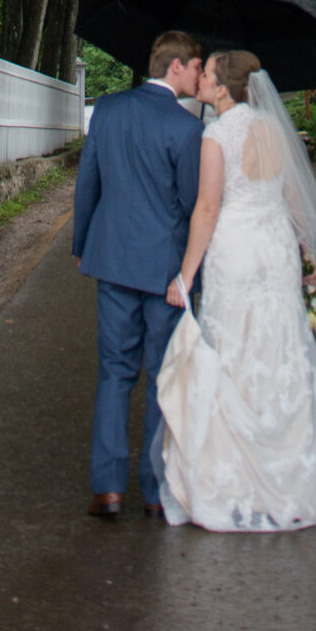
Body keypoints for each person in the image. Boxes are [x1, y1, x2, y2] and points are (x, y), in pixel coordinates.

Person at [155, 47, 316, 532]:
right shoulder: (274, 130)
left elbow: (207, 209)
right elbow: (294, 198)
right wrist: (305, 254)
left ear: (223, 87)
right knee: (282, 348)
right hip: (272, 249)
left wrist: (185, 277)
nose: (201, 81)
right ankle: (297, 475)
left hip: (235, 248)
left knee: (233, 348)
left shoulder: (216, 136)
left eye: (207, 75)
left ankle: (237, 482)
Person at [71, 27, 205, 520]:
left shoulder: (106, 110)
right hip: (165, 270)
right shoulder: (187, 130)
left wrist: (83, 245)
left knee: (114, 372)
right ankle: (153, 489)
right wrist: (195, 273)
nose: (198, 75)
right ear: (175, 66)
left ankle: (107, 488)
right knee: (161, 376)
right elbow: (192, 206)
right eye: (195, 67)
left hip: (112, 260)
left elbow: (88, 185)